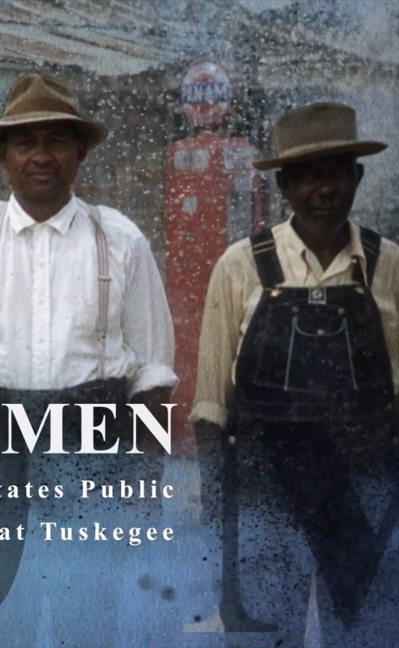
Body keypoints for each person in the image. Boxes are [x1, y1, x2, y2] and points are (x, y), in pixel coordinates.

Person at [0, 73, 177, 645]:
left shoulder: (122, 240)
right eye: (25, 142)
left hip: (93, 441)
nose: (41, 156)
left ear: (80, 151)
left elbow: (152, 372)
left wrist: (145, 476)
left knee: (88, 613)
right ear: (2, 155)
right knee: (2, 614)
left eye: (56, 141)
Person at [192, 102, 399, 647]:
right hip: (265, 485)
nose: (323, 189)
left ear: (357, 177)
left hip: (364, 487)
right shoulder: (240, 264)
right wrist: (216, 503)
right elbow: (211, 403)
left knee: (364, 635)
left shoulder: (389, 266)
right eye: (307, 175)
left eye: (335, 173)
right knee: (266, 633)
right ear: (284, 184)